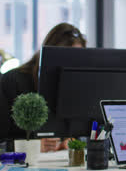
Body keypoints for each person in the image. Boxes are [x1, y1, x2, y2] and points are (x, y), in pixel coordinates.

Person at [0, 23, 87, 152]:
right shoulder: (13, 82)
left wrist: (69, 141)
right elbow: (2, 143)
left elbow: (76, 131)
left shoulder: (72, 88)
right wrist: (32, 146)